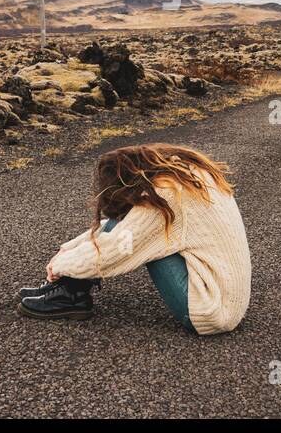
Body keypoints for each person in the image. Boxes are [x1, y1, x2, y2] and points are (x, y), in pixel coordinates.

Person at [18, 143, 251, 335]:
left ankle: (71, 295)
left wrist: (61, 266)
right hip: (228, 299)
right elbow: (121, 224)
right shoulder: (188, 173)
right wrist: (67, 251)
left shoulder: (167, 193)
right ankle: (69, 289)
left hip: (210, 311)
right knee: (131, 226)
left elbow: (117, 250)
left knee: (135, 238)